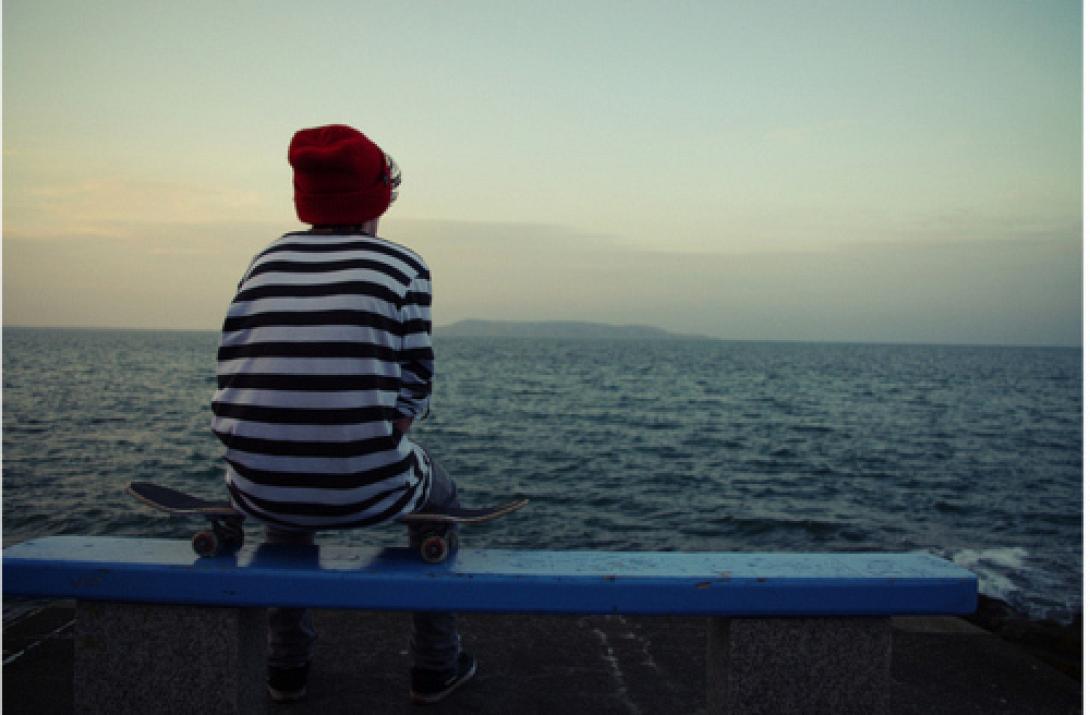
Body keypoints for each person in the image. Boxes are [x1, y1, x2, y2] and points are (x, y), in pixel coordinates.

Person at [210, 124, 476, 705]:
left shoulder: (265, 261)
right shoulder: (404, 267)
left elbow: (230, 369)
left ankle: (287, 667)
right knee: (443, 503)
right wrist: (378, 428)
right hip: (369, 493)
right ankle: (436, 665)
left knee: (286, 508)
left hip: (260, 487)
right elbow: (414, 392)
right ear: (379, 198)